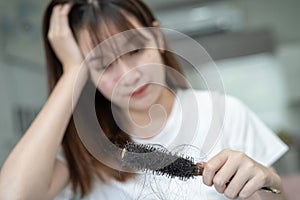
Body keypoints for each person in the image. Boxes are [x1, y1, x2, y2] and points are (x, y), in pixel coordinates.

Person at [0, 0, 288, 199]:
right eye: (103, 64)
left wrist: (267, 180)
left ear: (158, 36)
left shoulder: (225, 112)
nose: (128, 75)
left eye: (136, 50)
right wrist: (72, 70)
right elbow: (14, 195)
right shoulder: (81, 147)